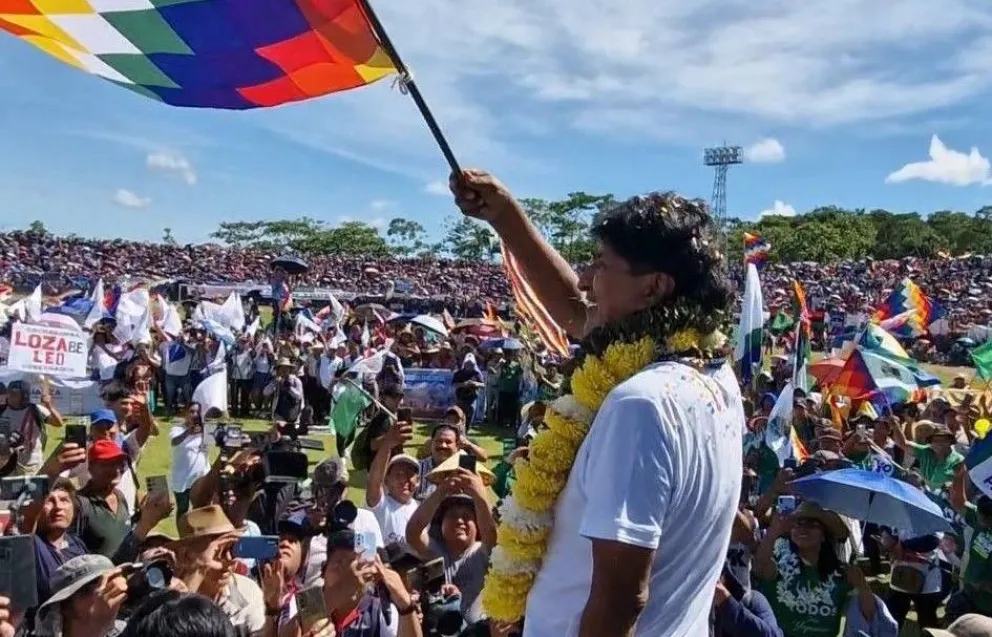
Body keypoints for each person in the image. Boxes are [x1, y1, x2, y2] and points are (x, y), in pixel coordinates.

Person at [451, 169, 744, 635]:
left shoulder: (641, 405)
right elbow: (573, 311)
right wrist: (505, 216)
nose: (587, 278)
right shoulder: (714, 375)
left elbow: (622, 597)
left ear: (653, 287)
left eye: (601, 265)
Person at [754, 503, 875, 637]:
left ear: (824, 536)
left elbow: (870, 616)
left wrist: (862, 584)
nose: (802, 528)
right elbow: (759, 567)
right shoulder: (781, 565)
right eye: (798, 523)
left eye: (812, 524)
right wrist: (774, 530)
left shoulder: (842, 573)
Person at [406, 467, 496, 624]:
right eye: (452, 516)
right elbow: (413, 532)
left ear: (477, 526)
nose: (460, 521)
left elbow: (491, 533)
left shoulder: (481, 552)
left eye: (467, 517)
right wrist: (441, 491)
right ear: (440, 525)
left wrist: (479, 494)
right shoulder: (434, 551)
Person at [33, 554, 128, 637]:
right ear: (65, 606)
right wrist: (98, 627)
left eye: (111, 583)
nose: (114, 590)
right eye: (88, 589)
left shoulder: (126, 630)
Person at [73, 439, 132, 558]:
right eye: (108, 463)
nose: (116, 469)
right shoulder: (80, 504)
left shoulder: (119, 496)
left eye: (120, 462)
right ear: (91, 468)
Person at [366, 418, 419, 546]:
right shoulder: (381, 505)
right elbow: (374, 481)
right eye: (399, 474)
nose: (404, 479)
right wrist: (387, 444)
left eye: (410, 474)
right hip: (383, 564)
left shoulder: (420, 511)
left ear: (418, 482)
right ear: (387, 480)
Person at [0, 378, 63, 475]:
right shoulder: (3, 410)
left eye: (14, 393)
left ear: (24, 395)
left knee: (32, 489)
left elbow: (58, 423)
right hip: (6, 462)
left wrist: (49, 405)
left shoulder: (35, 409)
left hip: (31, 463)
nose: (10, 396)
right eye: (9, 393)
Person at [170, 403, 210, 522]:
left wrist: (204, 429)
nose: (195, 415)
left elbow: (217, 440)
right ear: (185, 413)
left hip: (201, 476)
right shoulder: (178, 428)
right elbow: (174, 442)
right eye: (191, 411)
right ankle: (182, 537)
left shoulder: (206, 430)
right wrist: (188, 432)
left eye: (197, 412)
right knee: (183, 509)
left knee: (201, 509)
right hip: (181, 478)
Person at [451, 354, 484, 427]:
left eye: (471, 364)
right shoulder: (459, 373)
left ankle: (466, 431)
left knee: (469, 416)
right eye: (468, 363)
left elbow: (483, 385)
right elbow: (454, 384)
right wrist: (464, 384)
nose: (469, 365)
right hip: (461, 398)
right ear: (464, 364)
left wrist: (475, 384)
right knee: (459, 415)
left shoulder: (477, 373)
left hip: (472, 398)